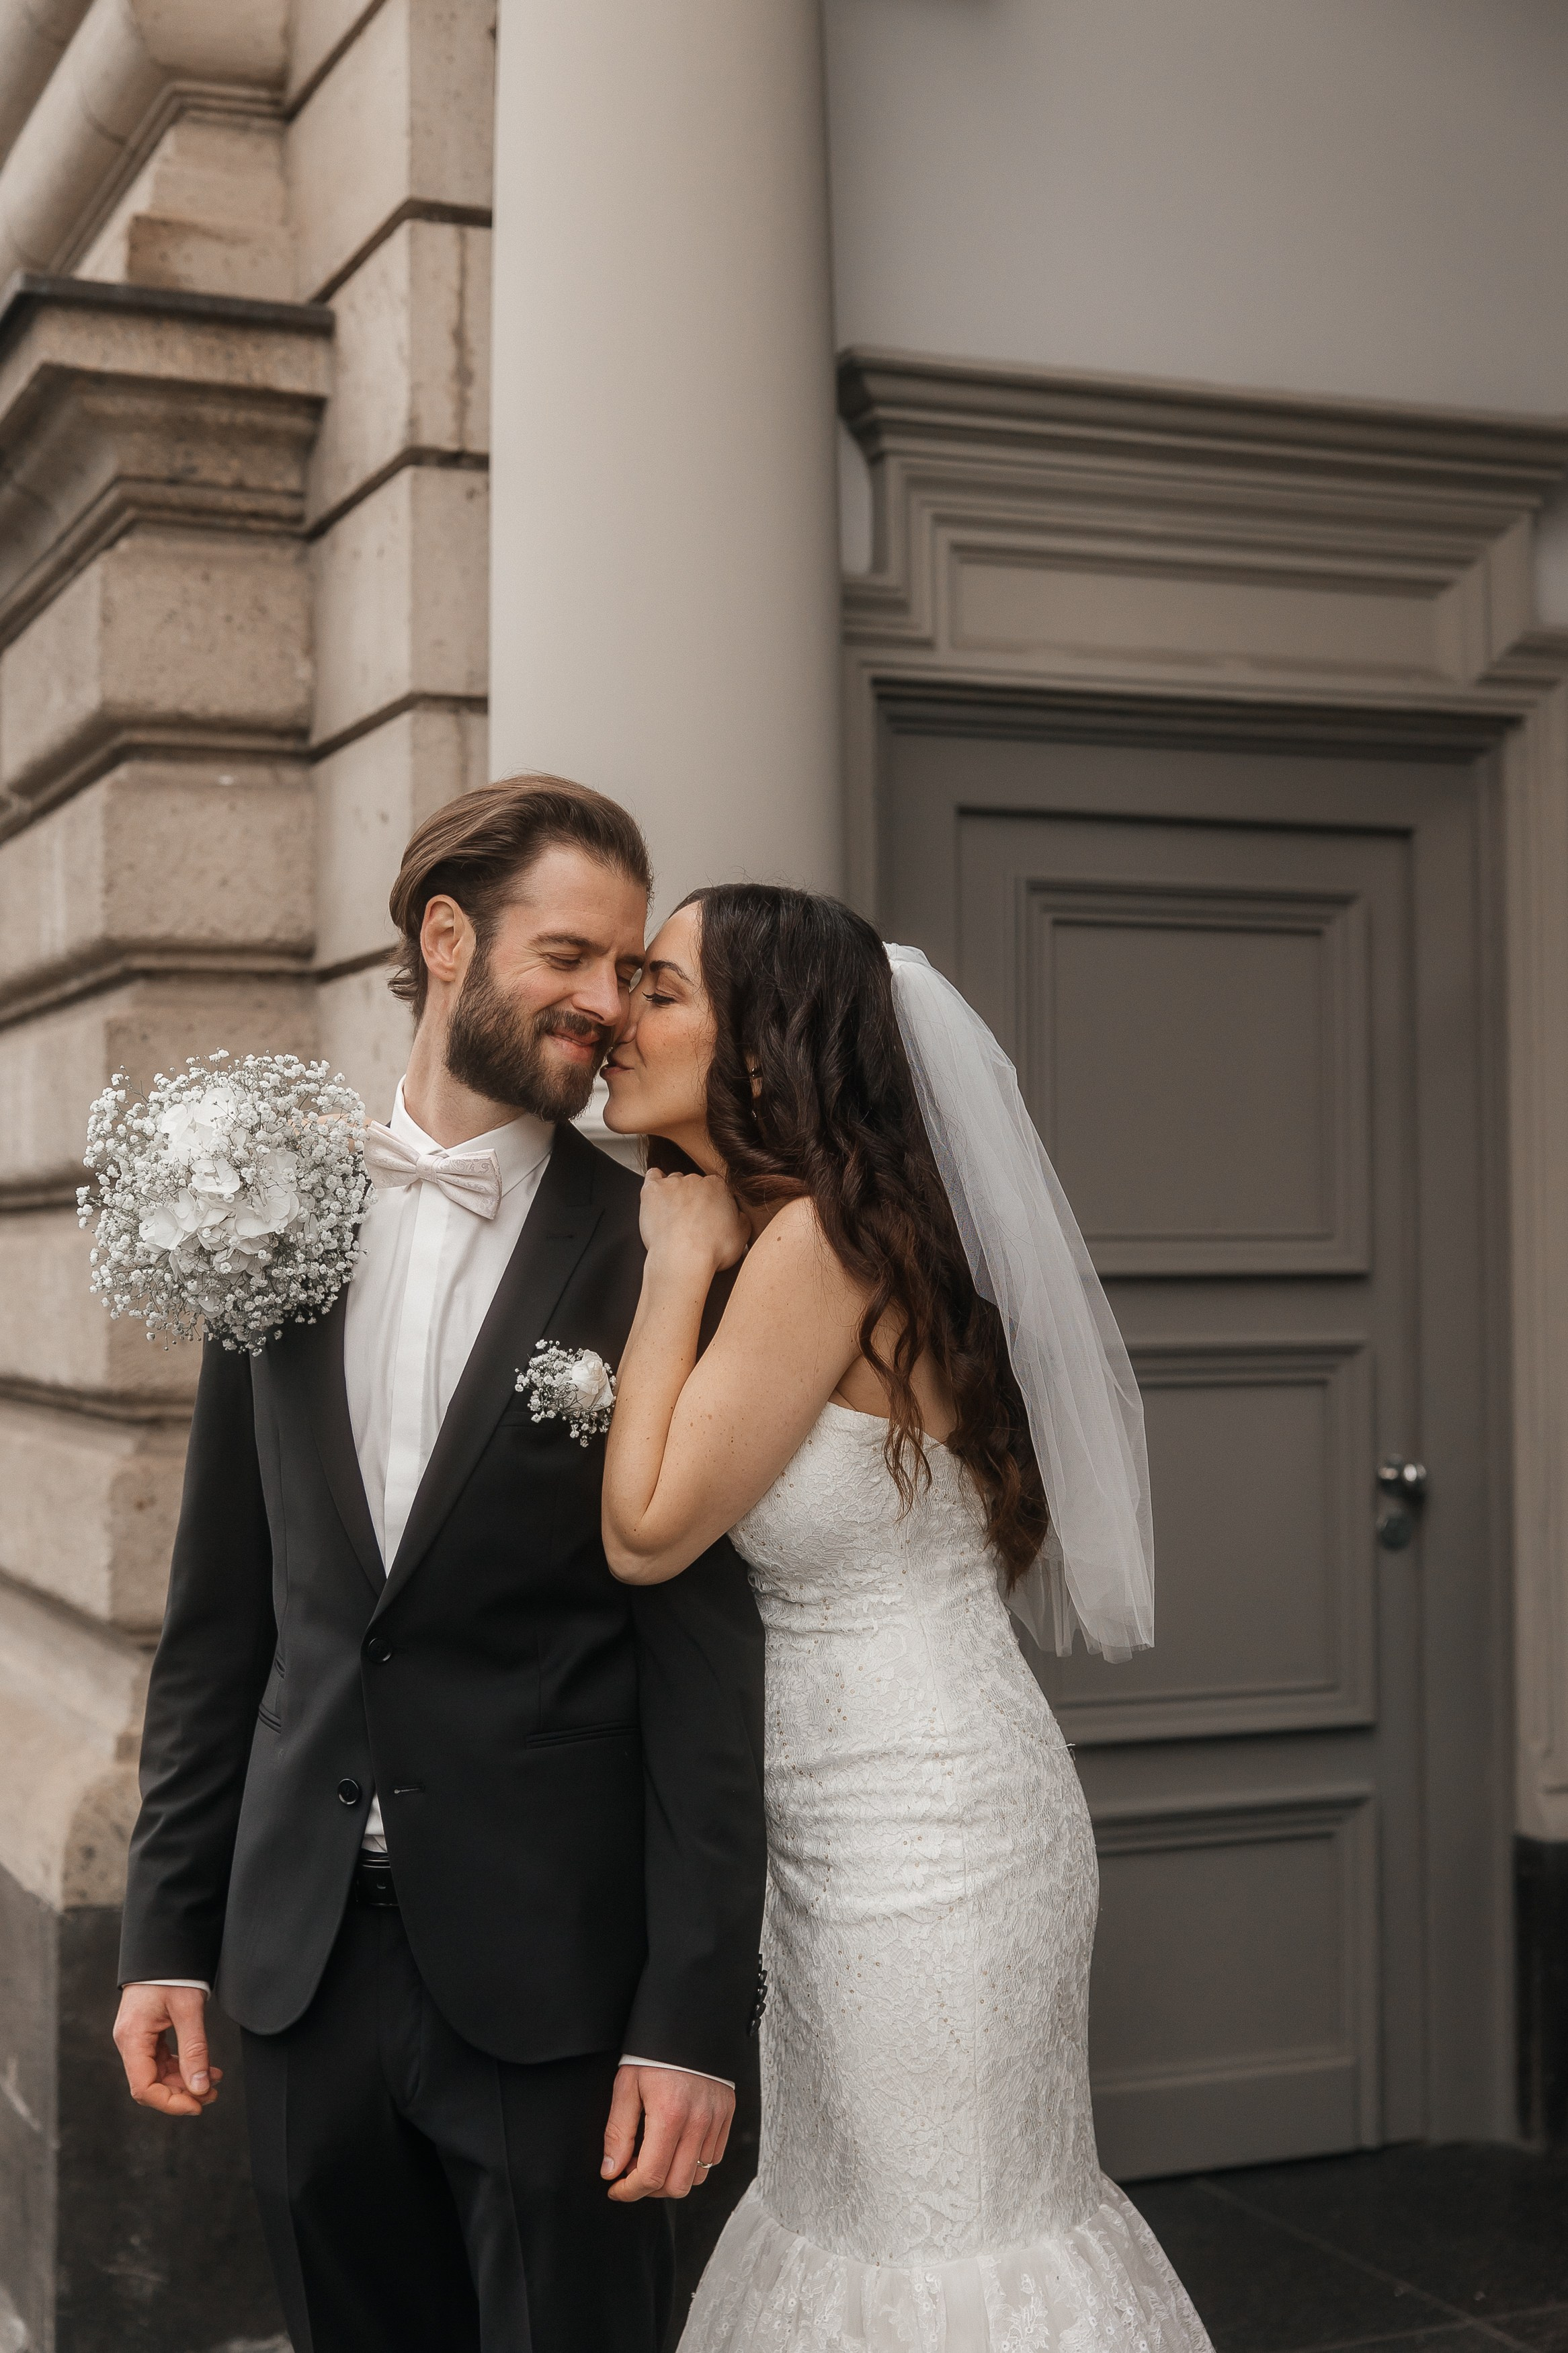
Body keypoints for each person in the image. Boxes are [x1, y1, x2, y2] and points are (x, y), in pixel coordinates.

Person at [111, 779, 768, 2353]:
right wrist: (165, 1931)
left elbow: (705, 1669)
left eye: (631, 970)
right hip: (300, 1964)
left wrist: (692, 2015)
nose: (607, 1003)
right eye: (571, 955)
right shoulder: (266, 1211)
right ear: (451, 939)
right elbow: (221, 1618)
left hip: (556, 1979)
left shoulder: (663, 1249)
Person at [600, 883, 1213, 2352]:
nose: (620, 1018)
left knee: (941, 2241)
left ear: (765, 1047)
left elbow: (646, 1529)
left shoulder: (816, 1247)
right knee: (860, 2225)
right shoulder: (830, 1233)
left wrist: (673, 1265)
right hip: (833, 1823)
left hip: (930, 1836)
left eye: (661, 989)